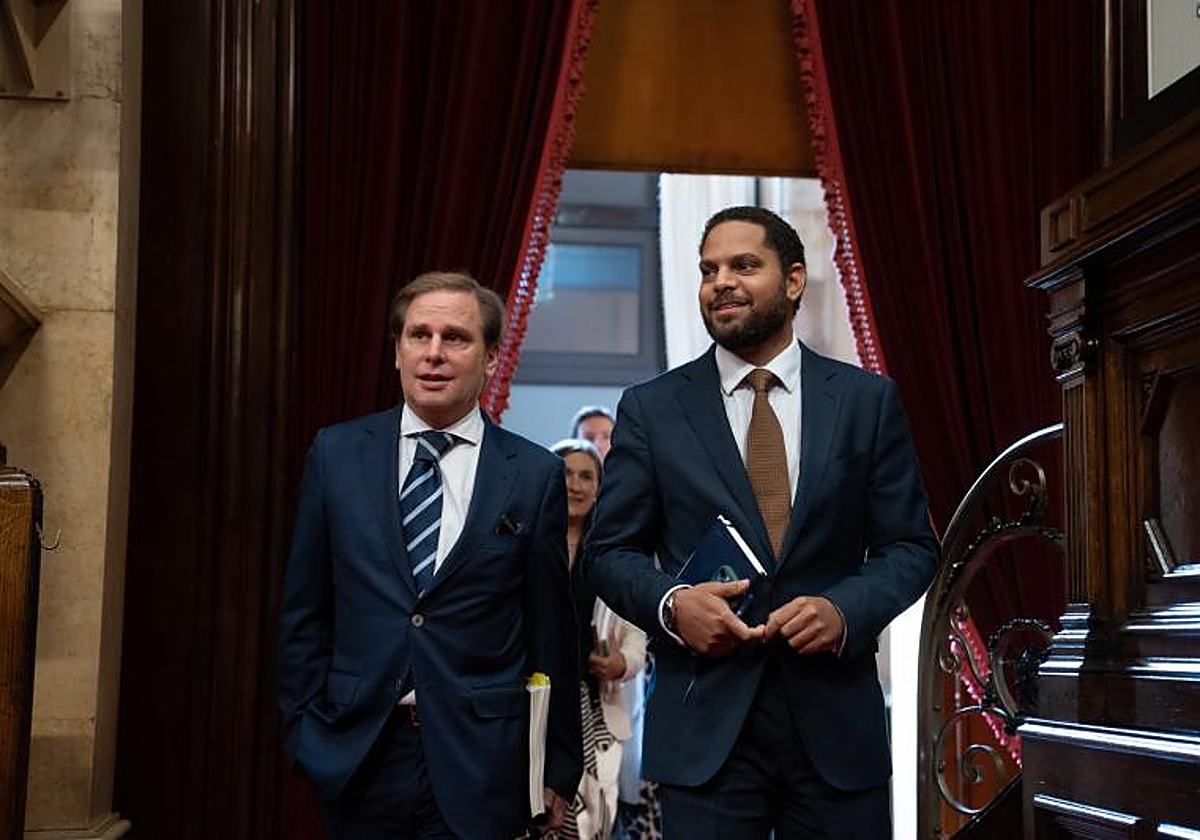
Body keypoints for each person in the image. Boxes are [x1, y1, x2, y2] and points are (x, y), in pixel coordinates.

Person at [584, 207, 939, 838]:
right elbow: (609, 552)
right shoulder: (652, 408)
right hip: (705, 728)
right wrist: (672, 604)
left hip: (835, 728)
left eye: (744, 265)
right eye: (708, 269)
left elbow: (911, 547)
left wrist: (845, 609)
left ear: (794, 280)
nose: (721, 281)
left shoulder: (865, 401)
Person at [278, 271, 582, 839]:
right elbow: (306, 610)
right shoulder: (337, 453)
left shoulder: (533, 474)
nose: (434, 353)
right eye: (419, 335)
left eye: (456, 338)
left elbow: (551, 634)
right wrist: (305, 735)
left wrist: (555, 768)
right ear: (397, 351)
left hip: (482, 761)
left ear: (492, 356)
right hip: (358, 753)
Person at [550, 438, 646, 839]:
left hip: (595, 705)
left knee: (591, 823)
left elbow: (637, 639)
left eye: (586, 476)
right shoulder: (527, 544)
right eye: (566, 475)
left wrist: (621, 663)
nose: (575, 485)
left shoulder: (610, 554)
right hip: (536, 704)